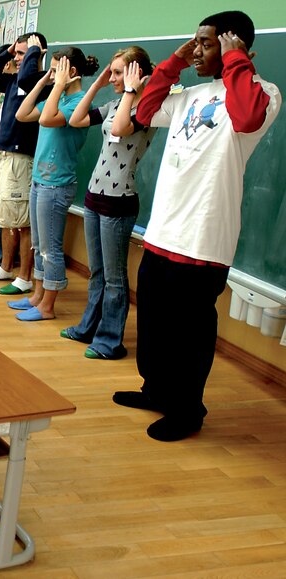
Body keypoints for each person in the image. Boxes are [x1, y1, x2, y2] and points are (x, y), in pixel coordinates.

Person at [113, 11, 281, 442]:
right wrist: (174, 62)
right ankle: (157, 391)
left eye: (208, 44)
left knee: (189, 334)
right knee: (153, 322)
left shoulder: (262, 93)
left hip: (204, 238)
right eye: (197, 42)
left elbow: (244, 120)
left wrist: (235, 61)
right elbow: (146, 110)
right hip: (163, 231)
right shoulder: (192, 93)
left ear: (237, 49)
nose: (199, 50)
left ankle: (187, 410)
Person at [60, 47, 158, 360]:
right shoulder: (115, 102)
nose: (112, 77)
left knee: (115, 279)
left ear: (135, 74)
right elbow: (76, 120)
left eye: (118, 73)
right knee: (97, 272)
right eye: (112, 72)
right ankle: (88, 328)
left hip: (119, 202)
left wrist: (130, 89)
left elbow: (119, 129)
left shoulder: (148, 109)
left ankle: (110, 341)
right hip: (94, 196)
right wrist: (98, 84)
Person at [12, 47, 99, 321]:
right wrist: (45, 81)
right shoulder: (57, 96)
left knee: (51, 248)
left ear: (72, 72)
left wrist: (59, 85)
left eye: (57, 69)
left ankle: (47, 306)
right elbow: (22, 114)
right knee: (38, 245)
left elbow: (48, 120)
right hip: (40, 181)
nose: (53, 75)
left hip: (57, 184)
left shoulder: (79, 103)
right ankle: (37, 296)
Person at [0, 33, 48, 294]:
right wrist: (7, 53)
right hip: (3, 155)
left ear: (37, 55)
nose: (17, 59)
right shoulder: (12, 80)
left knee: (22, 221)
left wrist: (32, 53)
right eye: (16, 54)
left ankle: (25, 278)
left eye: (22, 54)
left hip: (22, 158)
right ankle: (5, 268)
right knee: (5, 218)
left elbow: (30, 78)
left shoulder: (41, 83)